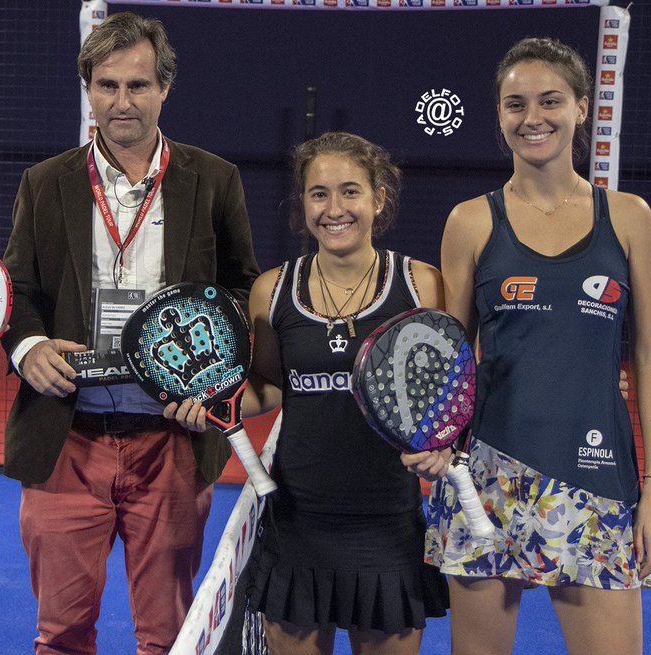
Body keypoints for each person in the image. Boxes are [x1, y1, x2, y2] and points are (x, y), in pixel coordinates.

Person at [0, 12, 259, 654]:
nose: (122, 102)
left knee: (168, 637)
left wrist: (206, 370)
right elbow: (18, 289)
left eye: (138, 86)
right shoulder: (45, 182)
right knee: (59, 634)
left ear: (164, 89)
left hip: (170, 440)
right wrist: (28, 348)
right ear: (88, 88)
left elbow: (239, 289)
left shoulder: (215, 179)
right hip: (68, 436)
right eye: (107, 85)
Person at [427, 36, 651, 655]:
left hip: (599, 480)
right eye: (515, 104)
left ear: (582, 108)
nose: (532, 118)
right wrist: (433, 448)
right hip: (483, 480)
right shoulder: (469, 222)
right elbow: (450, 359)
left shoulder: (630, 216)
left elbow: (650, 353)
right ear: (500, 117)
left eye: (550, 101)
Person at [172, 132, 451, 654]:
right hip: (297, 523)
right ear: (302, 205)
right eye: (319, 194)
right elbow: (269, 387)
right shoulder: (272, 290)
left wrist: (444, 445)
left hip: (387, 526)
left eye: (350, 191)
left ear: (378, 199)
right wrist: (209, 406)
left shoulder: (422, 285)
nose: (334, 208)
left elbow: (449, 392)